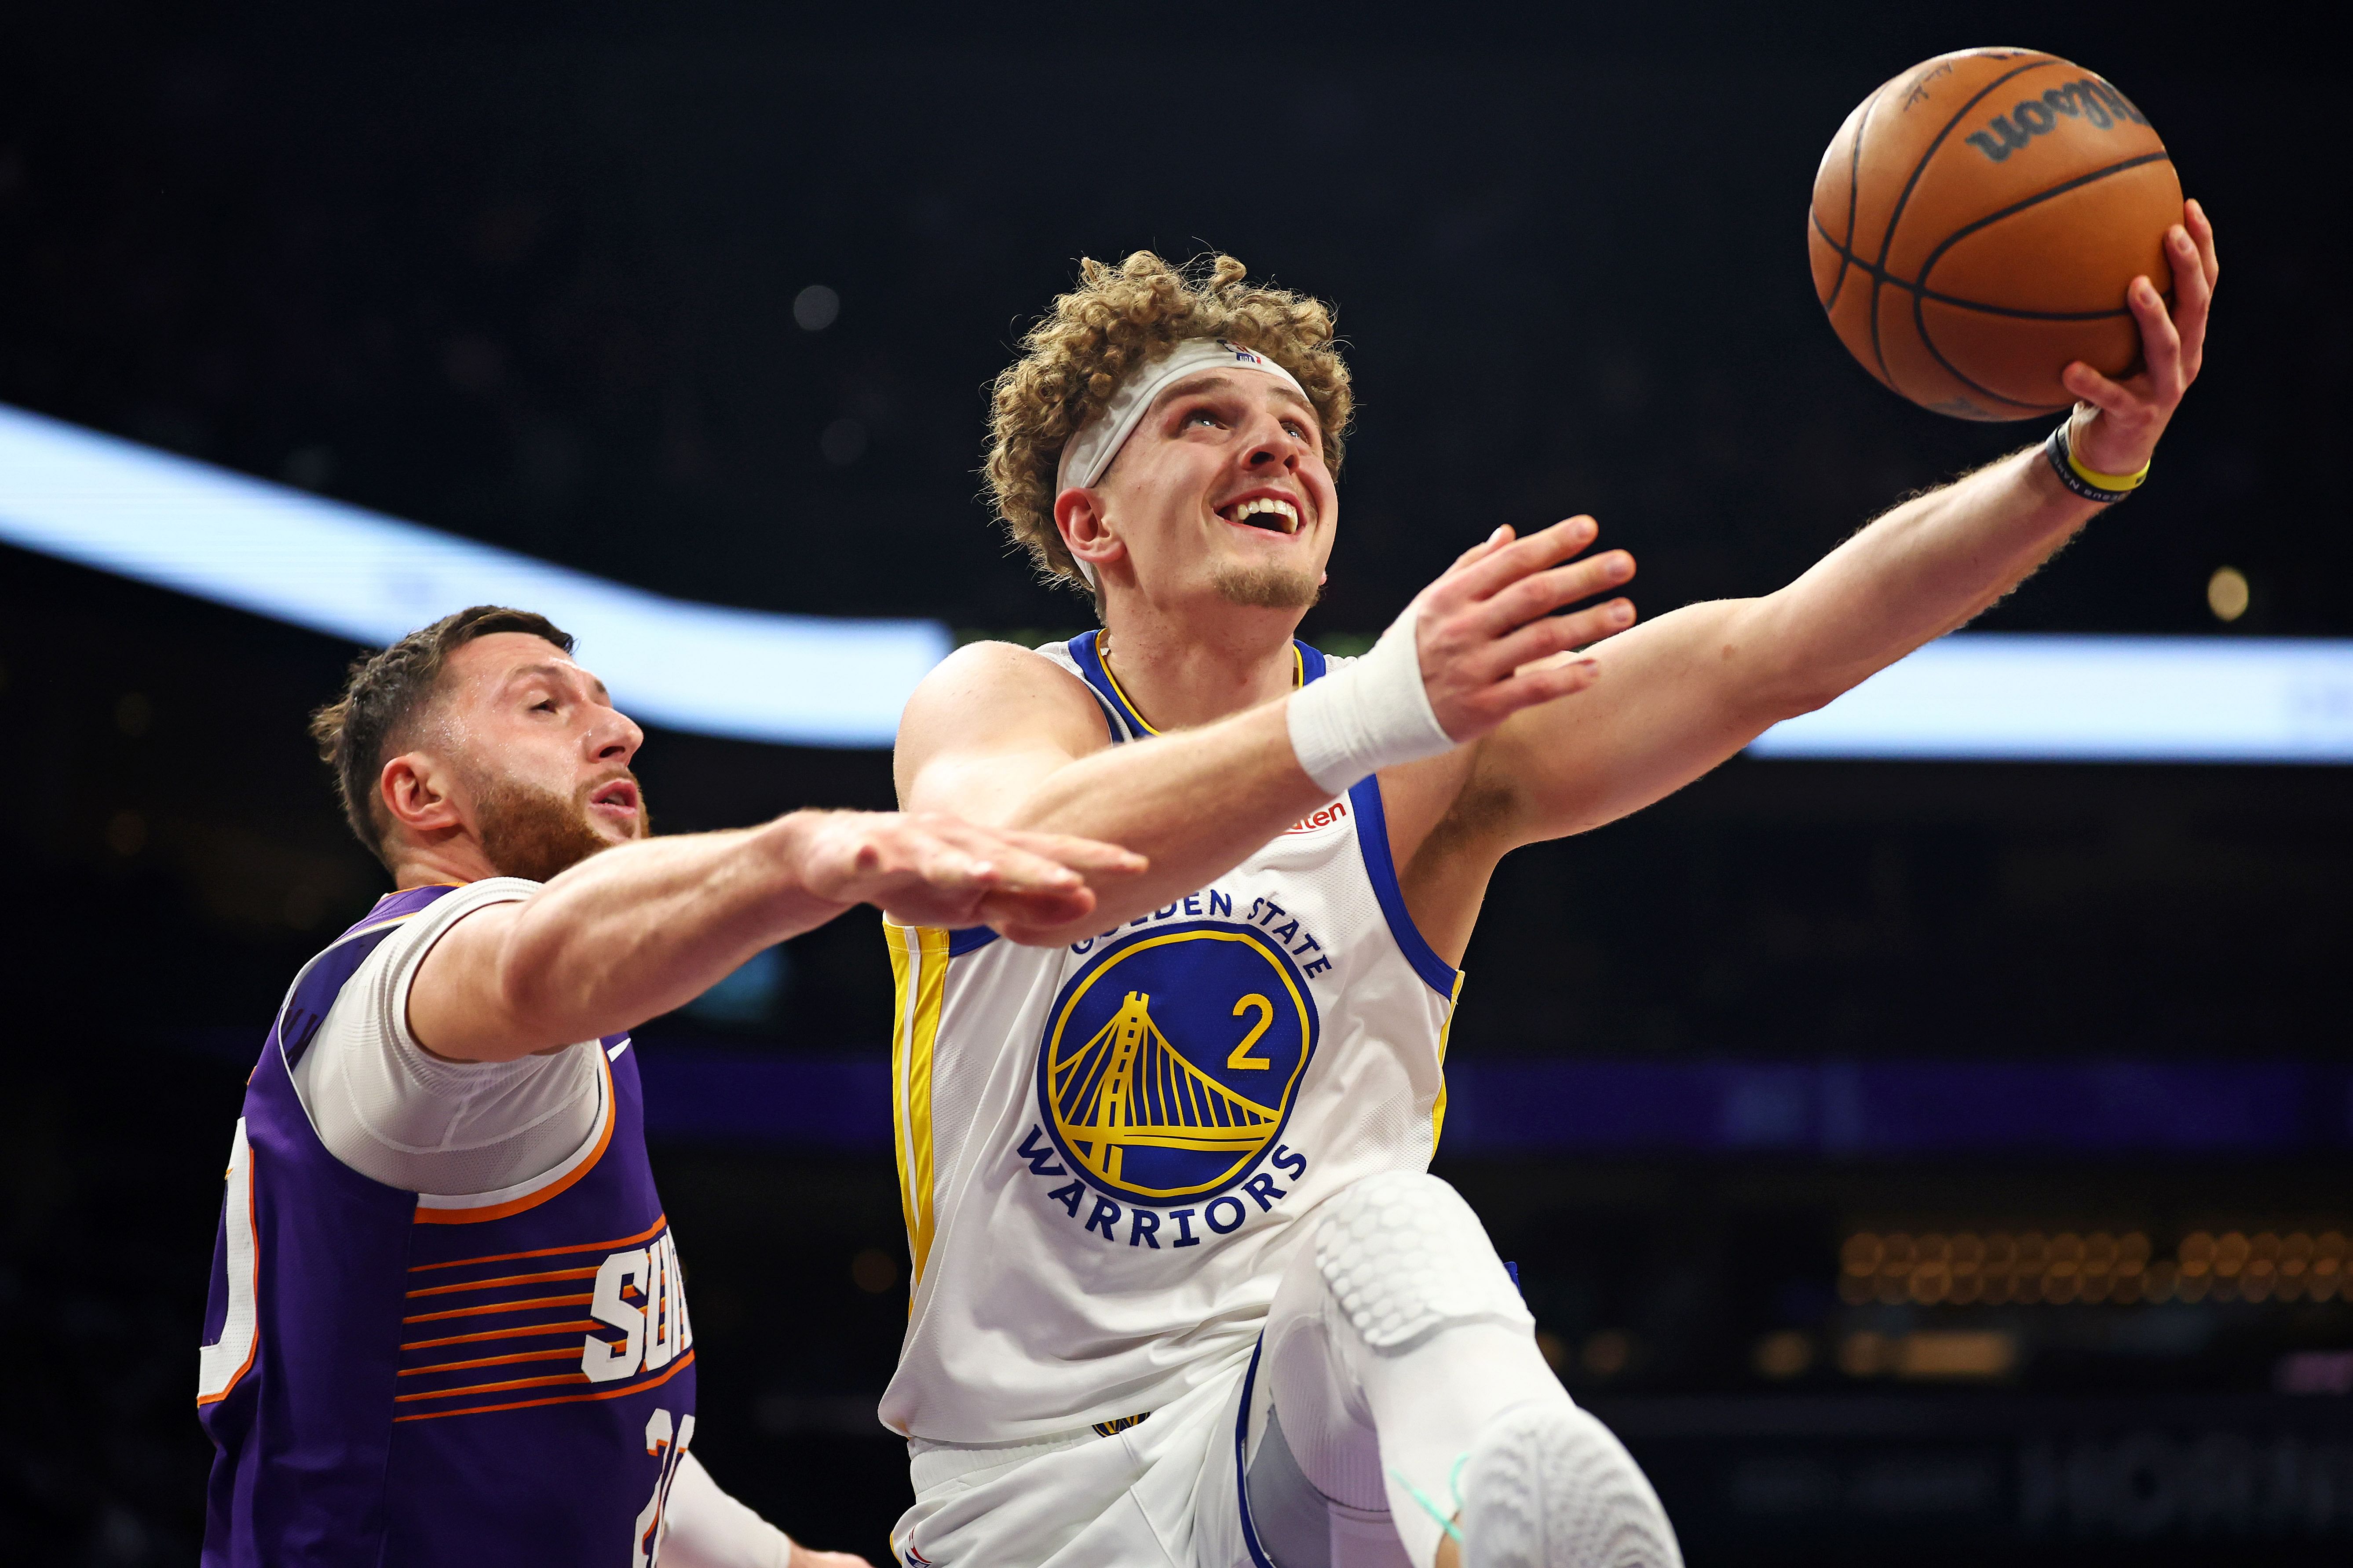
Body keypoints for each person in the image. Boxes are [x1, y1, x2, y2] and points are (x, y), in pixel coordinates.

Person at [883, 205, 2218, 1568]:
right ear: (1087, 519)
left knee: (1392, 1227)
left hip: (1306, 1455)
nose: (1271, 440)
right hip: (1035, 1500)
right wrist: (1373, 717)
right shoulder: (1004, 698)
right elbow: (1013, 857)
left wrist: (2072, 469)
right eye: (1203, 419)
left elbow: (1777, 652)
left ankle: (1522, 1533)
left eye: (1295, 425)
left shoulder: (1430, 760)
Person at [195, 605, 1141, 1568]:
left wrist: (786, 1563)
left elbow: (602, 1425)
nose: (620, 730)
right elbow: (524, 957)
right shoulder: (396, 977)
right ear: (420, 793)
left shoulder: (563, 1041)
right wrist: (805, 858)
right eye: (544, 706)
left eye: (604, 702)